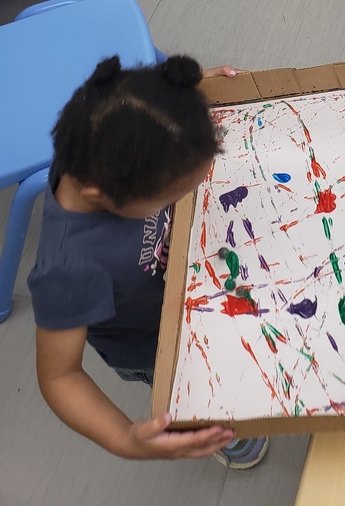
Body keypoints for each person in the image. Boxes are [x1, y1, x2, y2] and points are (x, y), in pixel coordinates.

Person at [27, 55, 269, 469]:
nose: (176, 201)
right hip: (151, 343)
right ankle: (220, 435)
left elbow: (145, 104)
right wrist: (127, 440)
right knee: (200, 395)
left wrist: (180, 105)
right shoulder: (68, 271)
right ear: (100, 196)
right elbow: (59, 377)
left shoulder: (104, 138)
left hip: (178, 287)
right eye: (169, 198)